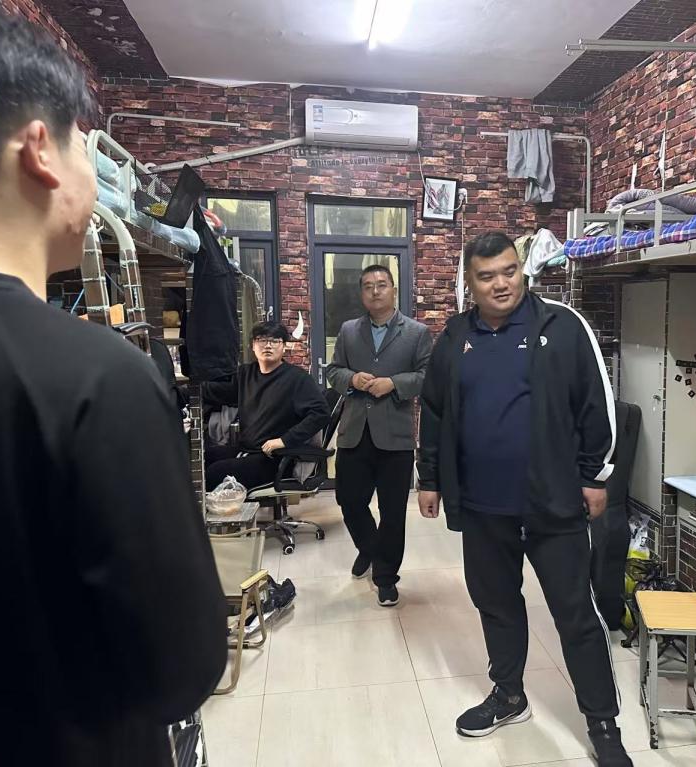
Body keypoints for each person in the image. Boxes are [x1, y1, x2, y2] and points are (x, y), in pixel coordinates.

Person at [0, 3, 227, 766]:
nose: (94, 177)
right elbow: (182, 665)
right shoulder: (96, 376)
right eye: (84, 145)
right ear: (40, 150)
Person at [417, 232, 634, 767]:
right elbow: (435, 411)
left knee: (575, 614)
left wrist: (595, 476)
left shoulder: (561, 326)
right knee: (496, 604)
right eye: (487, 276)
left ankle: (603, 723)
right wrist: (430, 477)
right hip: (482, 506)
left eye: (509, 271)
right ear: (469, 283)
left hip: (553, 503)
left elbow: (596, 403)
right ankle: (509, 695)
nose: (501, 284)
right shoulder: (455, 337)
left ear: (522, 271)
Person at [327, 265, 432, 607]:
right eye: (368, 286)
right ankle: (370, 549)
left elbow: (428, 376)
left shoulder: (416, 332)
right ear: (361, 293)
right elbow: (333, 371)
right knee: (349, 501)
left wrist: (395, 384)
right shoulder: (348, 330)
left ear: (393, 290)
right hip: (354, 432)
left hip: (395, 437)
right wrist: (351, 379)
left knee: (392, 511)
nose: (375, 291)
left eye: (382, 285)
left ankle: (386, 577)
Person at [203, 320, 330, 492]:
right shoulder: (245, 374)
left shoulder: (297, 379)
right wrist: (176, 392)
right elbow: (215, 392)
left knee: (214, 473)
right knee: (200, 459)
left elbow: (321, 414)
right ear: (253, 346)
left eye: (275, 341)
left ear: (284, 346)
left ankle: (210, 509)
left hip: (277, 457)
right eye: (262, 340)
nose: (268, 345)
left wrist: (284, 441)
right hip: (247, 450)